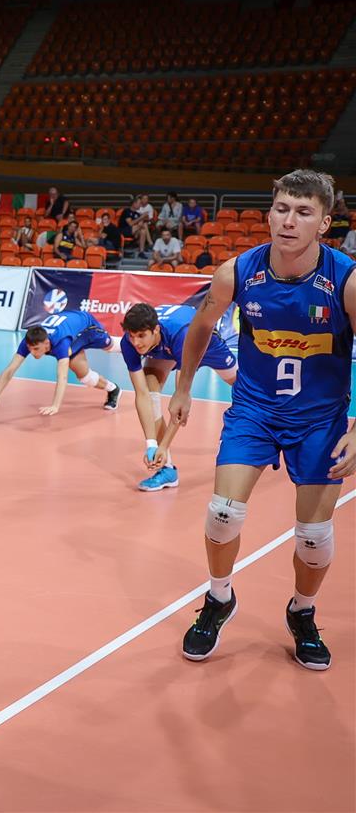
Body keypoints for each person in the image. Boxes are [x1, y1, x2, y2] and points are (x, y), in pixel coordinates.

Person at [168, 169, 355, 671]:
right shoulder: (236, 272)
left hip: (320, 421)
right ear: (269, 213)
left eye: (303, 212)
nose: (289, 221)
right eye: (281, 208)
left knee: (313, 537)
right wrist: (183, 387)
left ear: (324, 223)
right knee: (222, 513)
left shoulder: (347, 281)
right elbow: (202, 325)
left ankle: (302, 611)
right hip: (254, 410)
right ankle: (219, 598)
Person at [120, 303, 238, 492]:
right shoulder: (129, 343)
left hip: (203, 343)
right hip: (165, 347)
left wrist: (164, 444)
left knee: (243, 388)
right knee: (149, 392)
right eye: (131, 336)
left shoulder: (182, 336)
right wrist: (151, 444)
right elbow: (141, 395)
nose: (136, 343)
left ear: (155, 330)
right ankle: (167, 470)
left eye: (141, 336)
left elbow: (181, 399)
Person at [0, 311, 121, 415]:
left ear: (46, 343)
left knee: (110, 346)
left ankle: (127, 345)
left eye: (36, 349)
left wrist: (55, 406)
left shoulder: (61, 343)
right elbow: (10, 369)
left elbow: (62, 376)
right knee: (84, 377)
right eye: (30, 349)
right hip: (69, 330)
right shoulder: (30, 341)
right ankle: (113, 389)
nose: (32, 352)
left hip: (88, 327)